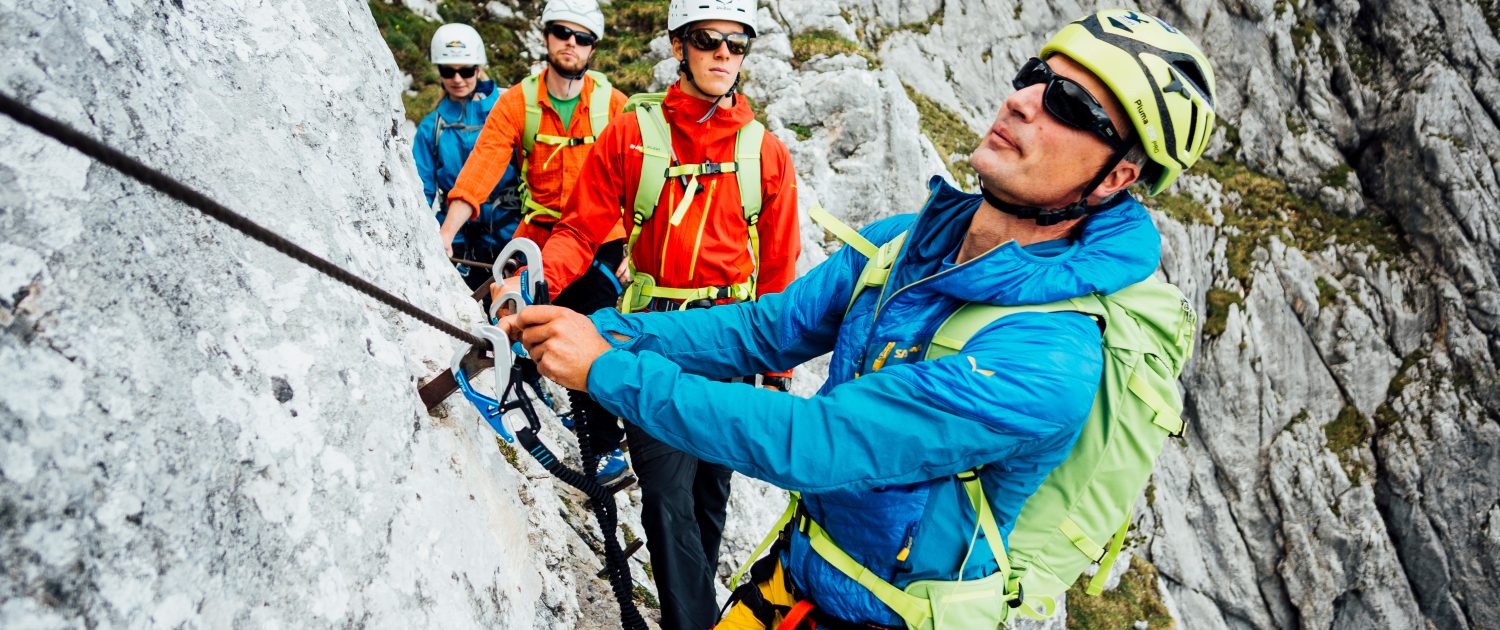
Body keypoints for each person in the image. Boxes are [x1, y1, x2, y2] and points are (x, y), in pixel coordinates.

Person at [501, 9, 1216, 629]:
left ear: (1118, 177)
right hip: (799, 573)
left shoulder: (1047, 359)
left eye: (1066, 103)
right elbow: (763, 331)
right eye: (1034, 74)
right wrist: (612, 331)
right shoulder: (906, 242)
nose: (1024, 100)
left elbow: (819, 443)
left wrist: (604, 368)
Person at [497, 0, 800, 626]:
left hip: (733, 338)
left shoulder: (765, 153)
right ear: (679, 47)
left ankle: (689, 614)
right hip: (653, 332)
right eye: (709, 40)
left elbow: (776, 269)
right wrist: (533, 281)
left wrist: (777, 362)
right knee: (666, 495)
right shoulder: (632, 135)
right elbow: (580, 231)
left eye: (736, 44)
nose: (724, 54)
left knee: (711, 493)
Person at [444, 0, 635, 485]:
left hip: (601, 239)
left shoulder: (613, 106)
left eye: (582, 37)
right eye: (562, 33)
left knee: (592, 328)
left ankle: (607, 448)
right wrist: (448, 230)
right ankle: (532, 392)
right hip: (541, 233)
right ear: (547, 36)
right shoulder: (519, 103)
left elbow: (639, 179)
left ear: (594, 46)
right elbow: (484, 164)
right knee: (514, 313)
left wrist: (636, 246)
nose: (571, 44)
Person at [413, 23, 522, 291]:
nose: (457, 79)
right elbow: (421, 190)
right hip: (460, 242)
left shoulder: (508, 111)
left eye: (466, 70)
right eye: (448, 71)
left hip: (511, 235)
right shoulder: (431, 128)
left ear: (478, 68)